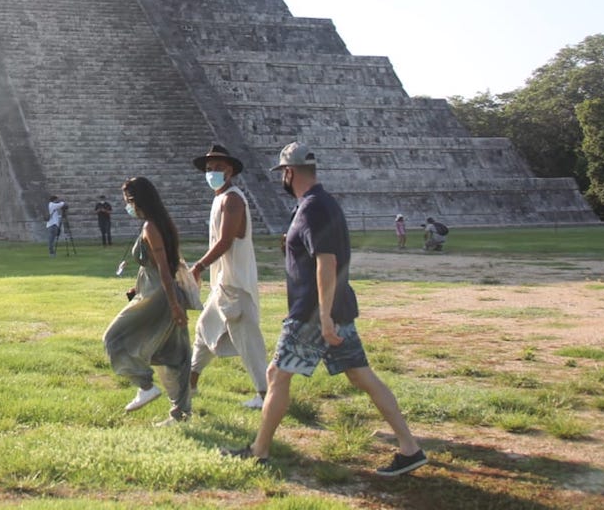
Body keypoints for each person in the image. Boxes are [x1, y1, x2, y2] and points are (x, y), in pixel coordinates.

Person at [227, 142, 427, 477]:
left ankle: (259, 450)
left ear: (289, 172)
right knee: (360, 375)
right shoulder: (322, 203)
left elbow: (326, 262)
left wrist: (323, 316)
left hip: (312, 312)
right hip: (334, 307)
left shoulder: (312, 208)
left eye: (283, 173)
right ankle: (410, 448)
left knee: (277, 374)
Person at [103, 176, 192, 425]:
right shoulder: (161, 223)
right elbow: (157, 266)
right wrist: (138, 287)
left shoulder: (151, 228)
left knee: (114, 338)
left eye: (127, 201)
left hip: (159, 296)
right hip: (157, 292)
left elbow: (164, 269)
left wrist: (174, 305)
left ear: (137, 200)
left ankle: (145, 385)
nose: (127, 206)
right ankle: (181, 413)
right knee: (174, 354)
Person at [187, 144, 269, 409]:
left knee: (248, 340)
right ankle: (190, 384)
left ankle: (265, 394)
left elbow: (225, 241)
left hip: (236, 285)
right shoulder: (220, 198)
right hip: (223, 283)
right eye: (209, 168)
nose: (212, 172)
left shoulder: (232, 199)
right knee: (204, 330)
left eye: (218, 168)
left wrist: (198, 266)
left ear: (230, 171)